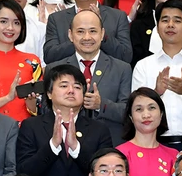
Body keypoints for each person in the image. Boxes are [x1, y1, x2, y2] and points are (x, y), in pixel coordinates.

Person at [16, 64, 114, 176]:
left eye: (77, 87)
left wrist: (76, 148)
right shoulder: (31, 126)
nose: (71, 90)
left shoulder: (99, 130)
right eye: (64, 85)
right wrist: (52, 146)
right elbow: (24, 172)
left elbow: (104, 174)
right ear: (49, 93)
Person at [131, 0, 182, 145]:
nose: (170, 25)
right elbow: (136, 110)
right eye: (165, 20)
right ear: (157, 27)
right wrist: (156, 93)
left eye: (177, 20)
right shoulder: (143, 66)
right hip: (155, 144)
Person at [51, 8, 132, 144]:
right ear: (70, 35)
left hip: (108, 146)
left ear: (102, 34)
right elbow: (47, 111)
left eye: (93, 31)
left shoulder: (122, 69)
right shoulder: (54, 69)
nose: (87, 37)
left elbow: (128, 112)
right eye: (80, 31)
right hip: (64, 147)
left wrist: (101, 105)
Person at [42, 0, 131, 64]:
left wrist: (101, 30)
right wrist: (79, 39)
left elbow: (126, 56)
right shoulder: (56, 19)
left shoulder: (118, 17)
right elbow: (49, 56)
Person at [0, 0, 42, 122]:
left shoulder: (32, 62)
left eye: (16, 23)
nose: (10, 28)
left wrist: (31, 102)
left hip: (24, 134)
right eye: (3, 21)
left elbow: (40, 111)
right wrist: (8, 97)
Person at [117, 88, 177, 176]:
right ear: (130, 117)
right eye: (139, 109)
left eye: (152, 108)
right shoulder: (119, 154)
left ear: (161, 114)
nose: (146, 115)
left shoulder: (174, 155)